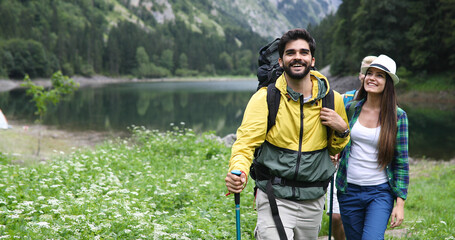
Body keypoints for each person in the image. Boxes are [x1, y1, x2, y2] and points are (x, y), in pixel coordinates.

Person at [225, 28, 350, 240]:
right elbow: (245, 143)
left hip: (313, 199)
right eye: (290, 53)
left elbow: (335, 148)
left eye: (303, 52)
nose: (297, 57)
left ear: (312, 60)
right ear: (281, 61)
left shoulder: (332, 99)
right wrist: (239, 170)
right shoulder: (266, 98)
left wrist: (343, 130)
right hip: (275, 196)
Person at [336, 54, 409, 240]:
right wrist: (336, 151)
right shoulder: (351, 108)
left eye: (380, 75)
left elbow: (401, 162)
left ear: (388, 83)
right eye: (370, 73)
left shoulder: (398, 116)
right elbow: (340, 142)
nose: (372, 78)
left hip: (380, 192)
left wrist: (399, 204)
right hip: (348, 190)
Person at [326, 55, 377, 240]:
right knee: (335, 216)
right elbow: (329, 128)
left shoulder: (385, 106)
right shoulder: (344, 99)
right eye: (366, 71)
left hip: (366, 171)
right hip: (340, 166)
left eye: (375, 72)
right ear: (360, 75)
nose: (369, 76)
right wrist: (331, 150)